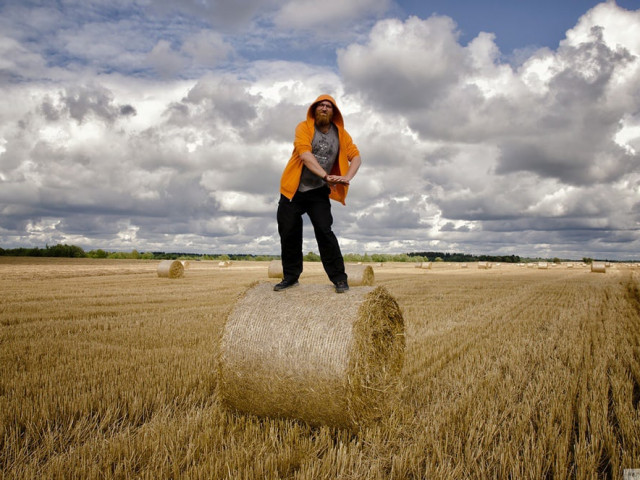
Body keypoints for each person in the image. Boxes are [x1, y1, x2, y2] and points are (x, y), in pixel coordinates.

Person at [274, 94, 361, 293]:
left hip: (318, 192)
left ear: (334, 112)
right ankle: (290, 277)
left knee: (324, 231)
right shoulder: (303, 128)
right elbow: (305, 154)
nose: (324, 108)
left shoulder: (341, 134)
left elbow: (356, 157)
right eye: (320, 105)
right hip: (292, 190)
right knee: (289, 233)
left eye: (328, 106)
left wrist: (347, 177)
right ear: (314, 110)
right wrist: (325, 175)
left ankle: (339, 278)